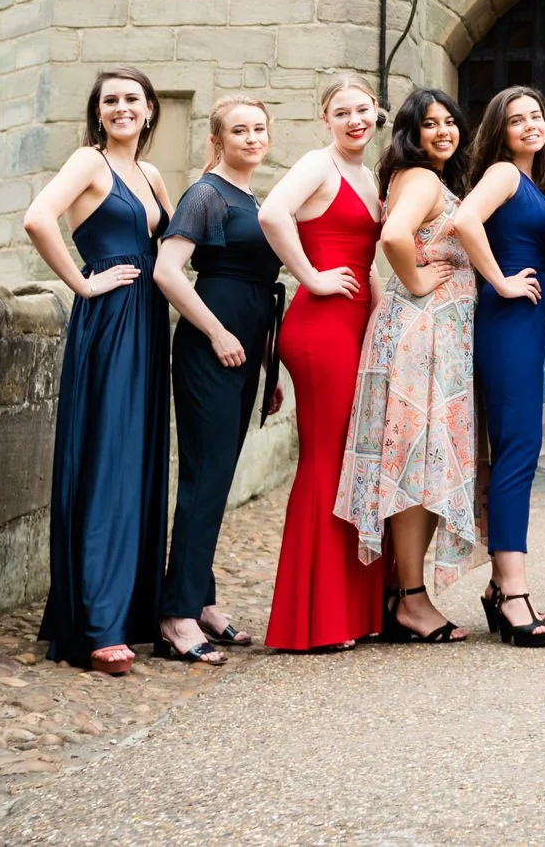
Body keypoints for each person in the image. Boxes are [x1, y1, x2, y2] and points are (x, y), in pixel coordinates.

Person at [22, 66, 175, 674]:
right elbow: (38, 218)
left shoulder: (152, 173)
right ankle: (96, 623)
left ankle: (132, 610)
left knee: (138, 458)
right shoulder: (89, 163)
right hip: (110, 320)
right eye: (110, 100)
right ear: (98, 111)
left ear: (149, 109)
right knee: (108, 460)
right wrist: (82, 284)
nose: (121, 108)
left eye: (132, 99)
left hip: (149, 321)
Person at [338, 89, 483, 642]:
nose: (444, 132)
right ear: (411, 133)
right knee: (417, 464)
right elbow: (395, 236)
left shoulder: (409, 176)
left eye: (451, 121)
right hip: (424, 335)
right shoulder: (421, 179)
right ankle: (413, 601)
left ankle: (404, 592)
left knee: (415, 460)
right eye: (430, 124)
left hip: (424, 334)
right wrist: (420, 281)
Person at [150, 95, 285, 665]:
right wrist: (216, 333)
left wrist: (264, 366)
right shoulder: (207, 193)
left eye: (259, 129)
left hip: (244, 349)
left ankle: (201, 600)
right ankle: (175, 616)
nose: (251, 138)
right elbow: (166, 270)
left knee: (219, 478)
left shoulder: (251, 196)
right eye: (239, 130)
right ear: (219, 139)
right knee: (204, 480)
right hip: (213, 348)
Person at [257, 76, 388, 651]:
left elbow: (366, 257)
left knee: (355, 458)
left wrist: (385, 316)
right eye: (342, 112)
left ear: (378, 113)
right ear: (325, 119)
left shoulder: (368, 175)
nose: (355, 119)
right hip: (321, 325)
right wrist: (309, 275)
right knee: (326, 458)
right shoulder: (319, 163)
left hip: (356, 322)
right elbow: (271, 214)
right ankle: (312, 618)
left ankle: (354, 610)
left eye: (363, 109)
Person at [449, 85, 545, 647]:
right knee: (517, 447)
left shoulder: (536, 181)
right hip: (510, 317)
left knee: (518, 448)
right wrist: (500, 281)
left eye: (536, 116)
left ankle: (499, 585)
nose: (529, 125)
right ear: (500, 130)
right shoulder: (502, 174)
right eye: (516, 120)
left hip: (530, 322)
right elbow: (465, 221)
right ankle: (513, 589)